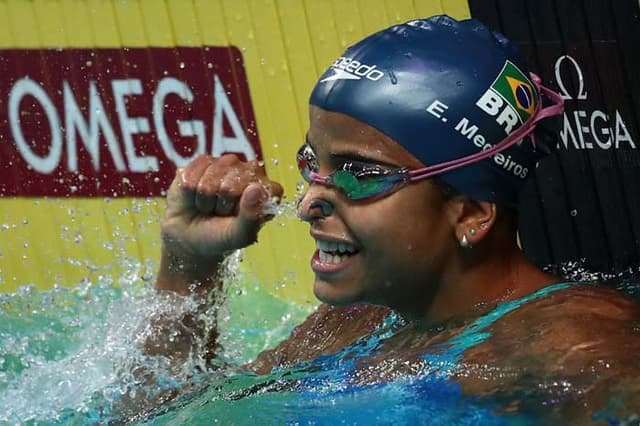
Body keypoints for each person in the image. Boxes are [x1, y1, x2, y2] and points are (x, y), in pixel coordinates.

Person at [151, 15, 640, 423]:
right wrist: (188, 264)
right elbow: (169, 413)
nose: (307, 205)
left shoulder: (575, 351)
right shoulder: (354, 323)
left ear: (470, 213)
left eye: (360, 174)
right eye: (311, 163)